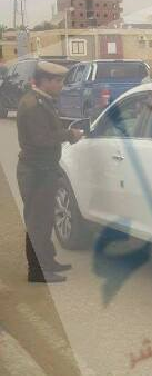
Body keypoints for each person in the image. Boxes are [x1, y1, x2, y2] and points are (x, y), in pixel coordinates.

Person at [17, 61, 83, 283]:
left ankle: (47, 261)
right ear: (44, 81)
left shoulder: (42, 101)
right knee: (37, 221)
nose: (61, 86)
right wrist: (70, 135)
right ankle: (37, 270)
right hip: (36, 171)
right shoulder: (33, 105)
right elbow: (41, 139)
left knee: (45, 219)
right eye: (57, 81)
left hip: (43, 169)